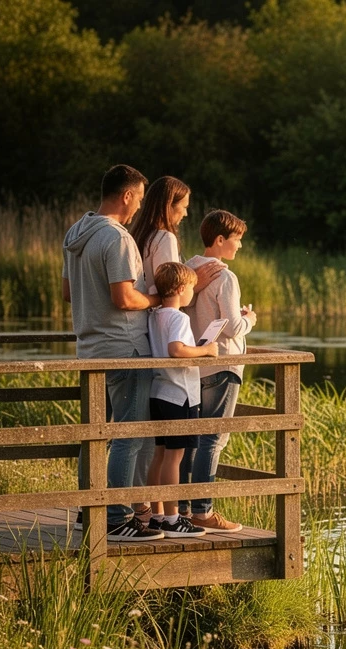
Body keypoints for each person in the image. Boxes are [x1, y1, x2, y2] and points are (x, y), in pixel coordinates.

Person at [62, 164, 164, 541]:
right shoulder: (116, 238)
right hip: (125, 348)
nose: (139, 205)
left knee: (95, 435)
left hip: (90, 349)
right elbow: (124, 298)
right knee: (129, 434)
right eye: (138, 197)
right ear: (126, 195)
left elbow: (68, 294)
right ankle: (117, 517)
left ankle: (87, 512)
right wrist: (156, 299)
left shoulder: (76, 232)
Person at [128, 176, 221, 519]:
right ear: (169, 205)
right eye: (182, 207)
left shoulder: (141, 235)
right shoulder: (163, 237)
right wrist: (197, 287)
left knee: (154, 449)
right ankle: (170, 514)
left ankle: (146, 508)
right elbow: (169, 282)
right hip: (176, 387)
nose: (184, 215)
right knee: (172, 454)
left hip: (149, 354)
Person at [183, 209, 258, 533]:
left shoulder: (188, 268)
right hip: (223, 363)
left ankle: (184, 506)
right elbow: (231, 327)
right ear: (220, 240)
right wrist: (250, 319)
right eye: (237, 240)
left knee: (194, 438)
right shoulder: (225, 276)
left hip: (195, 366)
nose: (240, 246)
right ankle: (203, 510)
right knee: (212, 439)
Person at [146, 262, 219, 536]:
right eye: (190, 287)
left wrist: (194, 349)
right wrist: (207, 351)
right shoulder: (178, 317)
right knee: (174, 458)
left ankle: (157, 515)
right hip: (180, 394)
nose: (192, 292)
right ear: (179, 289)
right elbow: (176, 350)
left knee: (160, 456)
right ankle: (173, 518)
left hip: (159, 391)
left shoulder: (154, 315)